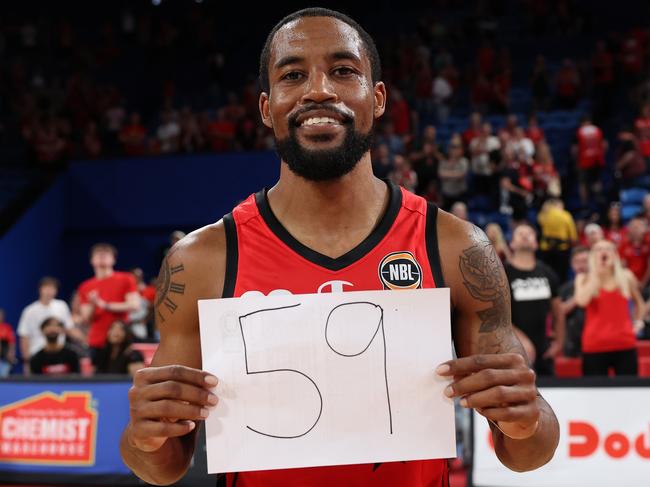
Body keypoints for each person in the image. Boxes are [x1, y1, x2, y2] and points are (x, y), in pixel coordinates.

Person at [120, 9, 559, 486]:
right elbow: (163, 465)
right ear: (267, 108)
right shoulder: (201, 260)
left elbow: (526, 454)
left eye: (343, 70)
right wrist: (144, 436)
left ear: (378, 98)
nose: (319, 90)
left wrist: (526, 418)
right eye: (293, 75)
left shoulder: (455, 247)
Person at [574, 240, 645, 375]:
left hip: (625, 343)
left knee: (628, 393)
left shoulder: (626, 276)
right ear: (592, 255)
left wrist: (638, 322)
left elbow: (640, 304)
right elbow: (581, 302)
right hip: (594, 345)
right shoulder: (583, 278)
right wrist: (597, 274)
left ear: (615, 254)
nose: (604, 252)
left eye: (608, 249)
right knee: (594, 394)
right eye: (599, 249)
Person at [505, 223, 565, 375]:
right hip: (513, 349)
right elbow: (496, 315)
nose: (525, 236)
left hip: (544, 350)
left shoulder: (547, 272)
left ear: (536, 243)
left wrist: (559, 342)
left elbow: (558, 311)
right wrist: (519, 339)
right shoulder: (502, 273)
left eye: (529, 233)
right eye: (520, 233)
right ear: (512, 243)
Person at [77, 243, 140, 363]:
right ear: (92, 260)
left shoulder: (126, 279)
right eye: (98, 254)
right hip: (97, 341)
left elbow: (134, 305)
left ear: (113, 259)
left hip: (121, 340)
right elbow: (86, 318)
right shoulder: (85, 286)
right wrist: (93, 303)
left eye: (106, 254)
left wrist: (104, 305)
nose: (102, 256)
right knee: (97, 380)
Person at [17, 276, 83, 372]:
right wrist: (26, 362)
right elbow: (24, 336)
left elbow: (69, 328)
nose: (49, 291)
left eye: (52, 288)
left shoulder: (61, 306)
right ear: (40, 289)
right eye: (47, 288)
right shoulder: (29, 311)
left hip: (60, 355)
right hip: (37, 356)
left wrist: (86, 339)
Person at [558, 246, 590, 357]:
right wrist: (578, 296)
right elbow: (559, 312)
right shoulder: (565, 289)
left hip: (596, 342)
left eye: (585, 261)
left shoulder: (600, 286)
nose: (581, 265)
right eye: (577, 261)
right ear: (572, 264)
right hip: (572, 343)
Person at [0, 309, 16, 377]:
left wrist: (11, 355)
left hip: (4, 359)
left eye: (1, 315)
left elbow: (12, 343)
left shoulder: (7, 328)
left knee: (4, 377)